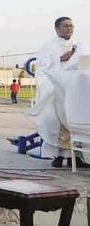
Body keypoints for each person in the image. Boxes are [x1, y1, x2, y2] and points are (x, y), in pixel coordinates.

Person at [28, 17, 90, 168]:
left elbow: (85, 65)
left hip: (74, 90)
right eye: (65, 26)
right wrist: (61, 58)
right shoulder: (49, 46)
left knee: (77, 120)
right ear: (56, 29)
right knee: (58, 122)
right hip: (56, 89)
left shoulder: (79, 45)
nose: (69, 28)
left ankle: (76, 157)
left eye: (71, 26)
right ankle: (59, 156)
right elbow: (41, 66)